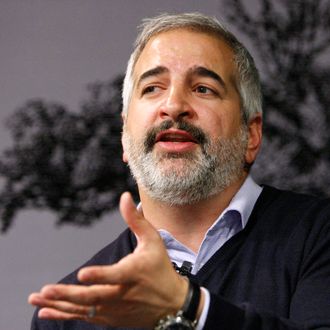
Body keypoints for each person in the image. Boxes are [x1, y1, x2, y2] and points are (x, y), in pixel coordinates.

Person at [29, 12, 330, 330]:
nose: (173, 105)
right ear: (124, 136)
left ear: (251, 135)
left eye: (203, 89)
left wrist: (190, 308)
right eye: (152, 88)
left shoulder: (319, 235)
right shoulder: (74, 310)